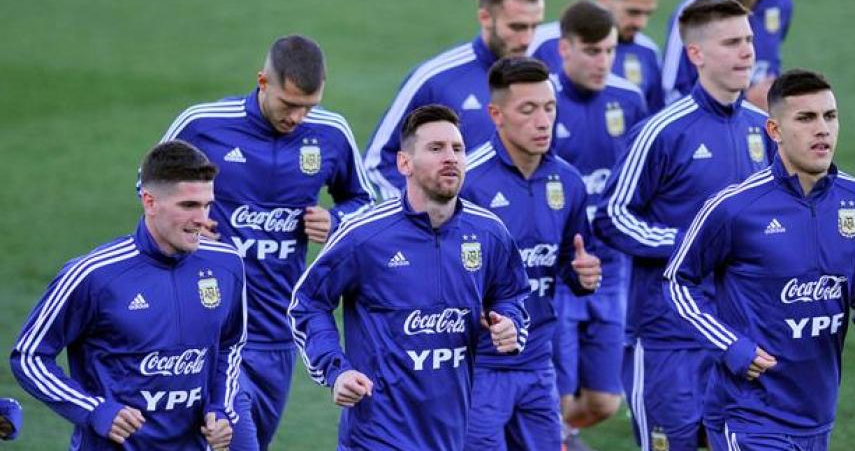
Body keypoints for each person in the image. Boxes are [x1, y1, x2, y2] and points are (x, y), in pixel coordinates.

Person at [158, 34, 375, 451]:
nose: (297, 117)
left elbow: (363, 202)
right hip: (210, 329)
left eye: (309, 106)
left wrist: (336, 219)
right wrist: (189, 221)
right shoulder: (203, 124)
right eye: (289, 104)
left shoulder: (331, 133)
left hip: (278, 333)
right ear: (262, 82)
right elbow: (149, 188)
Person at [663, 69, 855, 451]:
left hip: (816, 414)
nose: (822, 129)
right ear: (774, 131)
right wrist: (730, 344)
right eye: (805, 118)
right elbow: (678, 283)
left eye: (829, 116)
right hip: (748, 414)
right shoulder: (734, 209)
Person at [288, 104, 530, 451]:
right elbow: (307, 302)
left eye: (457, 148)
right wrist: (336, 369)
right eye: (436, 148)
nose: (451, 158)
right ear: (404, 163)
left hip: (452, 436)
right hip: (376, 438)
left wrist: (509, 323)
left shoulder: (489, 232)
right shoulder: (365, 236)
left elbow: (511, 295)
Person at [593, 0, 775, 451]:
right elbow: (612, 216)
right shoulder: (663, 131)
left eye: (749, 40)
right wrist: (687, 244)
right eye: (732, 42)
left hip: (741, 333)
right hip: (668, 337)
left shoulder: (764, 130)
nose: (747, 52)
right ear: (696, 55)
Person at [11, 140, 245, 451]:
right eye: (189, 206)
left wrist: (221, 407)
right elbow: (29, 356)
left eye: (207, 204)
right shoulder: (94, 274)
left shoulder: (227, 264)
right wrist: (94, 409)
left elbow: (230, 344)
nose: (203, 218)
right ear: (150, 202)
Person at [460, 56, 602, 451]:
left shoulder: (569, 182)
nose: (543, 121)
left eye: (549, 108)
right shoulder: (467, 182)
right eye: (528, 109)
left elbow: (571, 263)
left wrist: (584, 276)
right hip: (478, 367)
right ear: (496, 114)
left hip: (538, 362)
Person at [532, 0, 650, 451]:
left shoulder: (629, 99)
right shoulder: (543, 104)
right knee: (552, 397)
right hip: (560, 270)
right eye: (592, 51)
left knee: (603, 402)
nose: (603, 62)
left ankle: (558, 436)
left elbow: (640, 178)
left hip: (613, 269)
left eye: (610, 51)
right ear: (564, 49)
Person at [364, 0, 545, 199]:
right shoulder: (435, 79)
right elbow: (377, 161)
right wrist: (419, 216)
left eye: (535, 27)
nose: (527, 39)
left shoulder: (544, 82)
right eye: (517, 27)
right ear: (485, 17)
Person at [530, 0, 664, 114]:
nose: (641, 23)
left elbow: (652, 115)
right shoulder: (541, 42)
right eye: (633, 12)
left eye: (648, 13)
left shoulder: (649, 51)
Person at [662, 0, 793, 109]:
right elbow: (671, 94)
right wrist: (745, 102)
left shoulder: (780, 1)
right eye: (731, 42)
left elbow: (771, 57)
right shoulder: (693, 11)